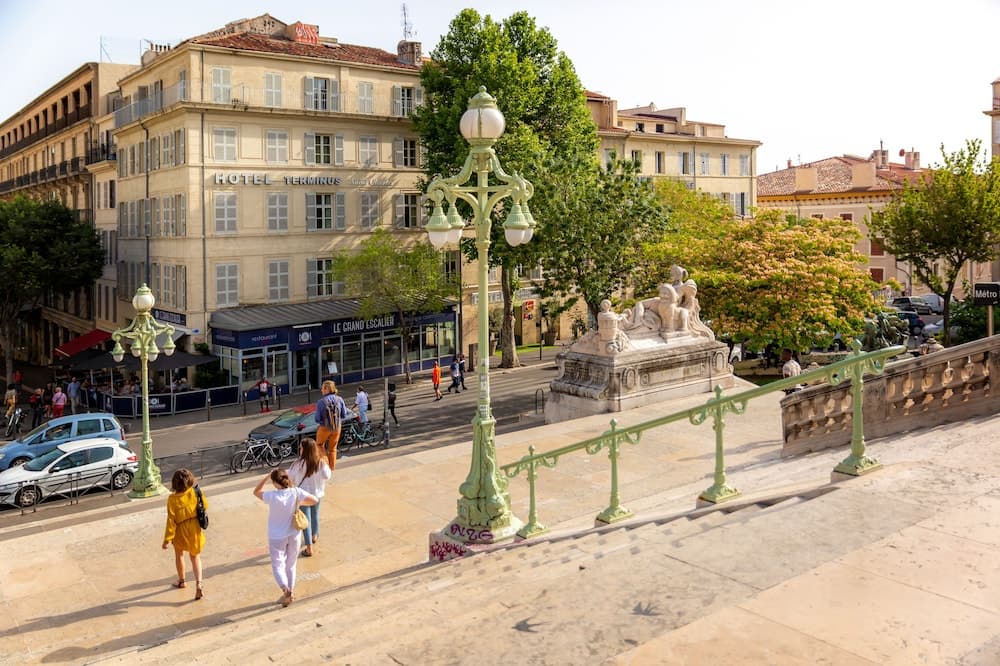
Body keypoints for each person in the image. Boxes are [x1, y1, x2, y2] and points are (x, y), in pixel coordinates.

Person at [253, 469, 318, 608]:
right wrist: (299, 503)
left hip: (276, 536)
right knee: (291, 564)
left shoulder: (272, 496)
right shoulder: (296, 492)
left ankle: (285, 590)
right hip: (294, 534)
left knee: (278, 564)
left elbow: (256, 491)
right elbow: (314, 500)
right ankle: (291, 591)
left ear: (275, 483)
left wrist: (266, 476)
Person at [161, 468, 206, 600]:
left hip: (180, 530)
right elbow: (205, 505)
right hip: (194, 527)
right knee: (195, 556)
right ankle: (199, 583)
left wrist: (167, 539)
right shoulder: (195, 492)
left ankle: (182, 581)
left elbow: (171, 521)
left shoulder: (172, 499)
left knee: (179, 555)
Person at [287, 437, 331, 558]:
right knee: (315, 515)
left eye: (301, 447)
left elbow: (291, 478)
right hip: (317, 494)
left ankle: (309, 548)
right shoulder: (320, 462)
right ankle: (314, 536)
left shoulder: (298, 464)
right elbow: (327, 476)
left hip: (302, 495)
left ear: (305, 449)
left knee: (305, 520)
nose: (299, 449)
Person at [314, 380, 351, 470]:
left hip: (324, 427)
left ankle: (325, 464)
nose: (321, 390)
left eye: (322, 388)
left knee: (319, 445)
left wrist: (323, 422)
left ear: (327, 389)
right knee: (333, 448)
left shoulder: (321, 402)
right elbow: (344, 414)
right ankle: (332, 467)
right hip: (337, 427)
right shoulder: (339, 399)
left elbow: (317, 419)